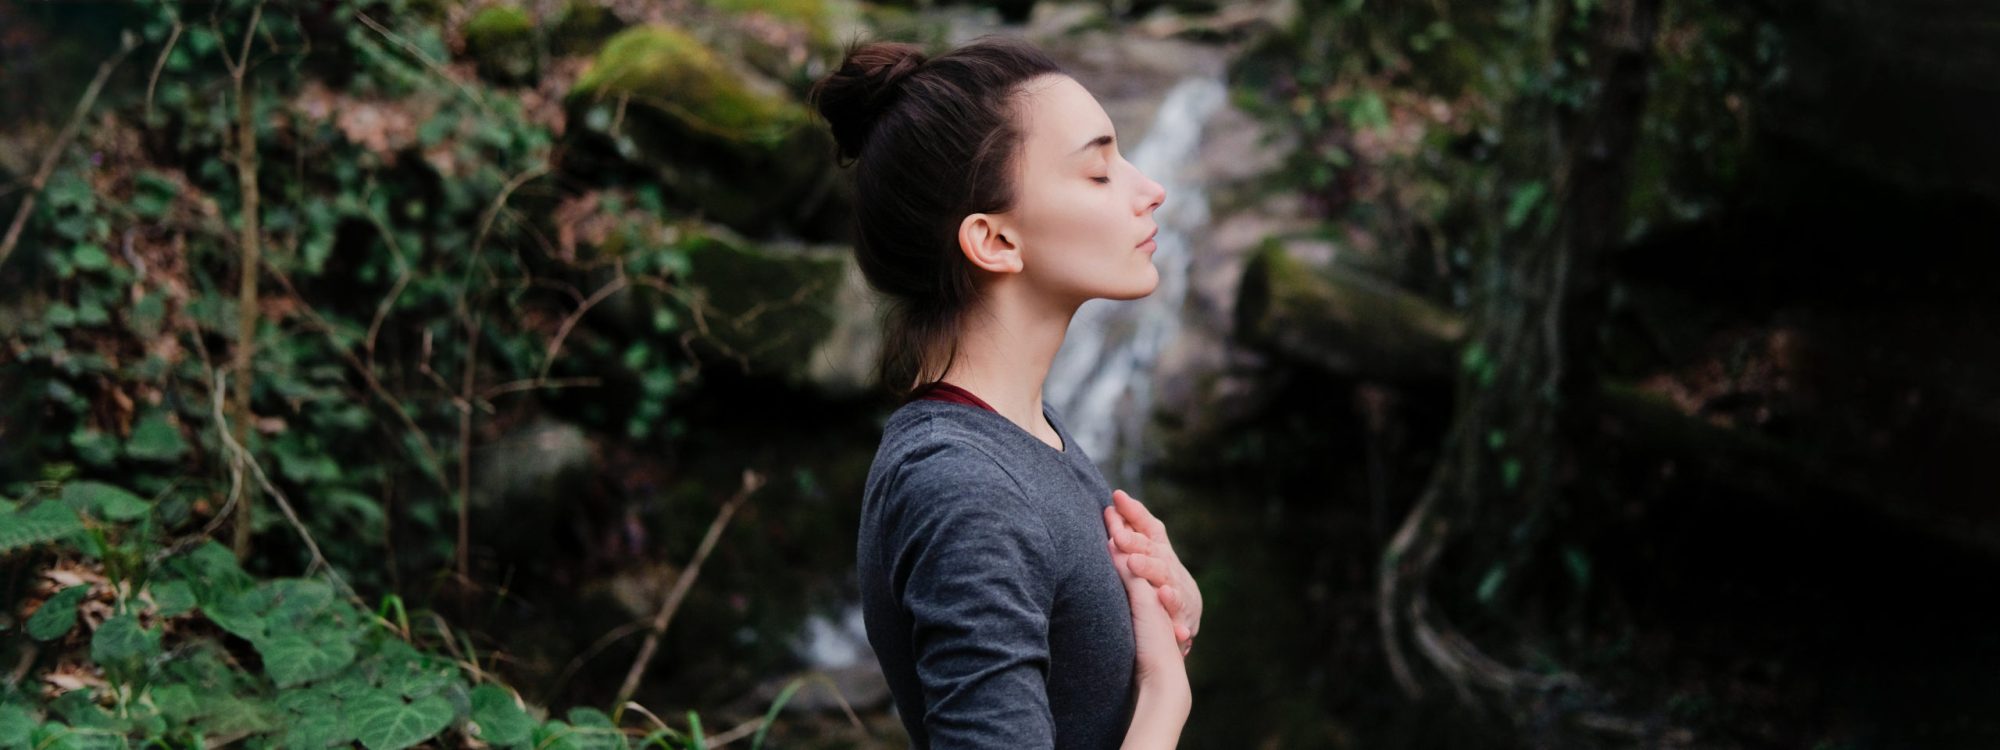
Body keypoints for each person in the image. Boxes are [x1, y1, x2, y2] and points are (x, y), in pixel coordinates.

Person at [809, 34, 1204, 749]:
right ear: (994, 241)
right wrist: (1163, 701)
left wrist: (1166, 618)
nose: (1151, 188)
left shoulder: (1022, 431)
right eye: (1098, 172)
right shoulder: (964, 487)